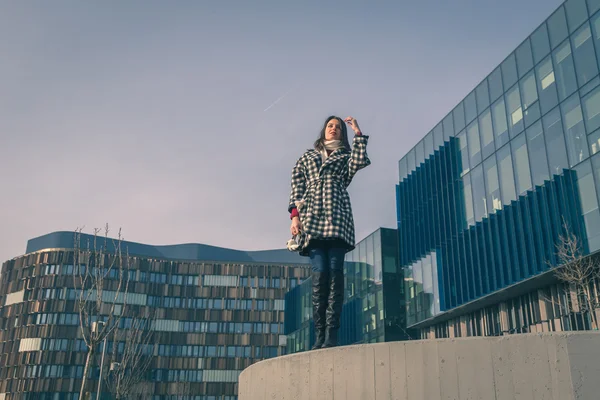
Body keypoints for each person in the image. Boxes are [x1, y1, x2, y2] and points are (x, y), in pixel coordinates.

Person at [288, 115, 370, 349]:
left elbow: (359, 161)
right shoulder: (307, 157)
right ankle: (319, 334)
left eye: (338, 127)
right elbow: (296, 189)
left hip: (337, 215)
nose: (333, 129)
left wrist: (357, 133)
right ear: (323, 130)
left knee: (335, 274)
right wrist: (295, 218)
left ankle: (332, 334)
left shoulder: (346, 157)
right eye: (330, 126)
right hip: (312, 216)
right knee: (319, 275)